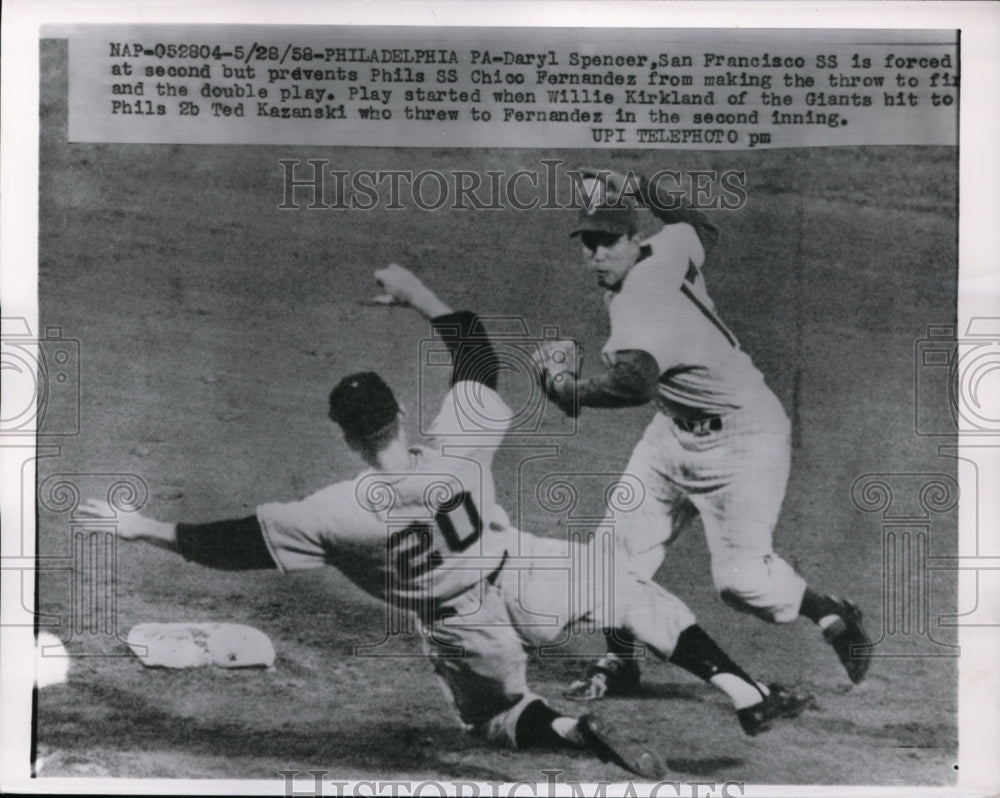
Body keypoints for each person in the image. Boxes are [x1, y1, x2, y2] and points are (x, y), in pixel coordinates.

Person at [79, 265, 808, 779]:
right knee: (639, 597)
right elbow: (478, 357)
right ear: (398, 416)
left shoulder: (334, 514)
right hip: (525, 572)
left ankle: (570, 728)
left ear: (346, 436)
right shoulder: (456, 445)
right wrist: (414, 294)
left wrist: (142, 527)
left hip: (463, 626)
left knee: (496, 717)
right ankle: (745, 692)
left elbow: (233, 544)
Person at [535, 170, 872, 702]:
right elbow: (700, 225)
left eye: (608, 243)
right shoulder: (665, 250)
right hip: (672, 436)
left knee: (743, 584)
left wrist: (564, 389)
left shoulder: (640, 301)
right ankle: (620, 662)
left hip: (744, 442)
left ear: (632, 241)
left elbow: (634, 383)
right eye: (589, 244)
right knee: (610, 556)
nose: (597, 255)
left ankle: (827, 611)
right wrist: (640, 185)